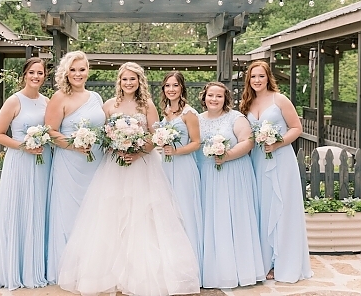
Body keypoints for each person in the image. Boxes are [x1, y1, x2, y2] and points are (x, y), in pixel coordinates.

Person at [57, 62, 200, 296]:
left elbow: (155, 136)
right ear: (119, 81)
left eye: (133, 79)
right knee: (111, 214)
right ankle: (110, 272)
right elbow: (103, 134)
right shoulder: (108, 105)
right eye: (125, 79)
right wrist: (117, 145)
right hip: (114, 165)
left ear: (139, 81)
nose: (129, 83)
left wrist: (137, 151)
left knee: (143, 216)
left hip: (142, 165)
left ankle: (140, 274)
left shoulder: (147, 105)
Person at [0, 57, 51, 290]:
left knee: (38, 209)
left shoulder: (46, 102)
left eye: (40, 73)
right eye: (32, 72)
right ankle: (12, 267)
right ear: (24, 74)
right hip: (20, 162)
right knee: (19, 209)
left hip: (43, 163)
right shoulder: (14, 101)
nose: (36, 77)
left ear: (45, 76)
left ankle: (34, 266)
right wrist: (24, 146)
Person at [240, 60, 313, 283]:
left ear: (268, 77)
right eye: (253, 77)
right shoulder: (246, 103)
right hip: (258, 161)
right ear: (248, 79)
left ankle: (284, 262)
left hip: (281, 159)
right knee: (262, 208)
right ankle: (264, 261)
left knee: (282, 207)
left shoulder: (279, 99)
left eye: (261, 76)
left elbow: (296, 128)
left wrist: (278, 143)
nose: (257, 80)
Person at [196, 81, 265, 289]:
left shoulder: (236, 117)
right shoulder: (197, 119)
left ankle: (240, 270)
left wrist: (227, 155)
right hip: (208, 174)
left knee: (235, 218)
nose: (214, 99)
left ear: (226, 98)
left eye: (219, 96)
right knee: (213, 219)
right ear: (204, 97)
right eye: (210, 95)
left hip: (234, 173)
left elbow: (248, 141)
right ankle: (214, 271)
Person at [45, 50, 106, 284]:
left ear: (87, 71)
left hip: (96, 163)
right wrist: (74, 144)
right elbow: (50, 131)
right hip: (69, 164)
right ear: (65, 72)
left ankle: (92, 268)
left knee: (95, 214)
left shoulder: (96, 97)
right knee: (70, 214)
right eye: (73, 70)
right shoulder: (59, 97)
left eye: (81, 69)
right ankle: (67, 271)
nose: (78, 74)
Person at [159, 71, 202, 272]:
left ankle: (190, 267)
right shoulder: (166, 112)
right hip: (166, 166)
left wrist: (176, 151)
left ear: (182, 88)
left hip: (183, 166)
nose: (171, 89)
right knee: (168, 212)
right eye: (167, 86)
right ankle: (171, 263)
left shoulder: (189, 113)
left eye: (175, 85)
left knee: (184, 210)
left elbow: (196, 143)